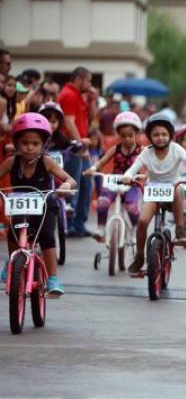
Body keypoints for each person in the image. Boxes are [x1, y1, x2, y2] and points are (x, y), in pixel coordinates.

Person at [0, 113, 76, 295]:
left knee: (47, 237)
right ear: (17, 143)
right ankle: (12, 262)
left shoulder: (47, 162)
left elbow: (70, 179)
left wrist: (65, 186)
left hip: (45, 206)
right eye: (25, 143)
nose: (29, 148)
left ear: (44, 145)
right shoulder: (12, 162)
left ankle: (53, 278)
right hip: (19, 204)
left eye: (35, 144)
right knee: (13, 234)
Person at [122, 113, 186, 275]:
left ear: (170, 135)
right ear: (150, 137)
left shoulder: (177, 149)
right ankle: (139, 256)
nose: (160, 138)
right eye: (156, 135)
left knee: (177, 188)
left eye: (164, 134)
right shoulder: (147, 152)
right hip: (153, 190)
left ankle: (180, 229)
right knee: (143, 221)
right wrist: (128, 176)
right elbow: (133, 168)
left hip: (174, 192)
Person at [84, 112, 143, 242]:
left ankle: (134, 229)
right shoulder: (115, 149)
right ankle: (101, 228)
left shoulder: (142, 150)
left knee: (132, 207)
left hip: (133, 184)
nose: (127, 139)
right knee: (102, 201)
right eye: (123, 136)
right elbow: (102, 161)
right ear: (118, 136)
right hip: (114, 182)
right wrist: (93, 169)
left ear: (136, 134)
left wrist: (149, 176)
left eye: (130, 136)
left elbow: (151, 164)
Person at [57, 66, 93, 237]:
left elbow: (88, 119)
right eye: (88, 80)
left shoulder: (78, 95)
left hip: (80, 147)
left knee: (86, 186)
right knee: (73, 186)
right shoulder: (69, 95)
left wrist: (92, 100)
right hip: (73, 149)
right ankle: (69, 224)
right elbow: (69, 123)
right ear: (79, 79)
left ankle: (79, 224)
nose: (90, 84)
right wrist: (79, 145)